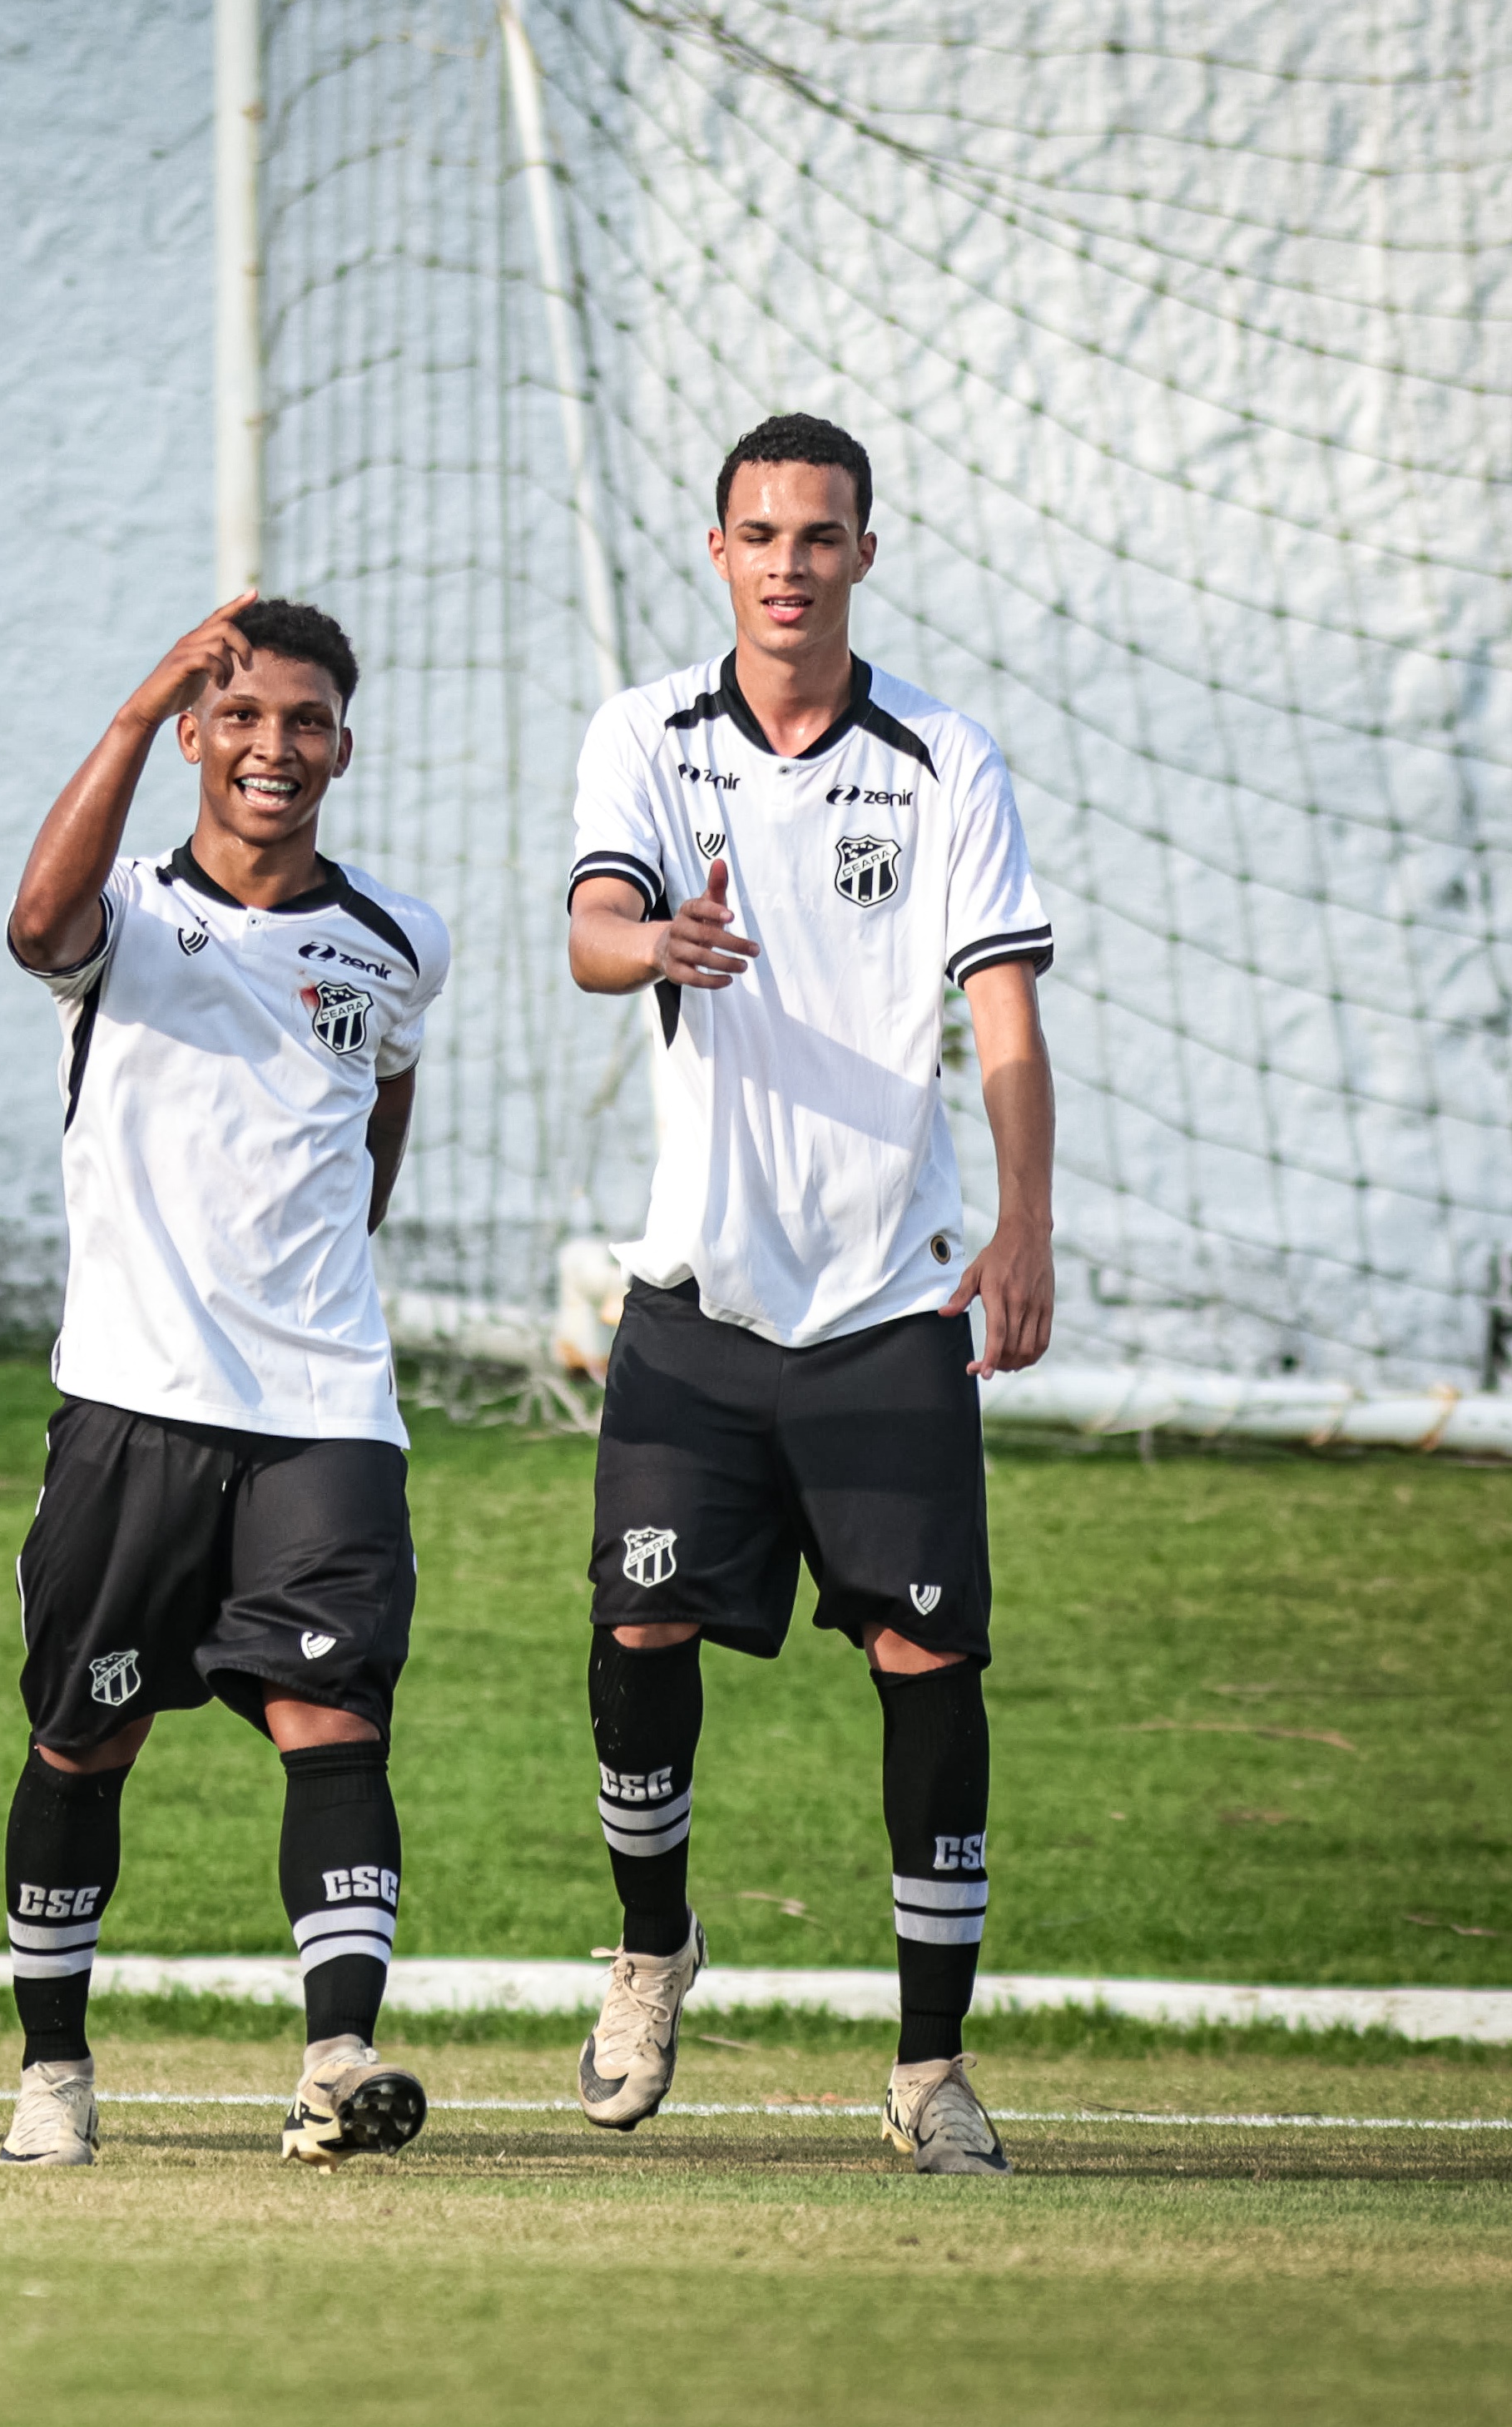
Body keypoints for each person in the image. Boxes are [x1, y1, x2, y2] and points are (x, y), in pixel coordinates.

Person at [563, 412, 1056, 2175]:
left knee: (926, 1656)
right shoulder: (645, 733)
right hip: (698, 1299)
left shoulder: (943, 759)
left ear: (862, 551)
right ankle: (651, 1947)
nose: (789, 562)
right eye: (760, 532)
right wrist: (659, 944)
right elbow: (594, 925)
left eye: (820, 534)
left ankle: (928, 2068)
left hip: (889, 1303)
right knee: (639, 1632)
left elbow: (1001, 1012)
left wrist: (1025, 1225)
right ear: (719, 552)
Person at [0, 594, 452, 2168]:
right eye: (241, 716)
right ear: (196, 732)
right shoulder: (120, 911)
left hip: (326, 1410)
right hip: (131, 1400)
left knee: (333, 1720)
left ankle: (338, 2061)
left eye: (306, 720)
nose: (274, 748)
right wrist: (126, 711)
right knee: (84, 1737)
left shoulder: (396, 942)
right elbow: (30, 930)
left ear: (342, 741)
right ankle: (53, 2071)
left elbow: (378, 1122)